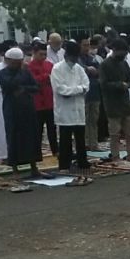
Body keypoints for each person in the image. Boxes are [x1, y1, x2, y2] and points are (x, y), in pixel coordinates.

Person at [0, 46, 52, 178]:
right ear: (8, 60)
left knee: (32, 137)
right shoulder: (2, 73)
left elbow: (35, 87)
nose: (16, 64)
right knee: (14, 137)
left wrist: (23, 88)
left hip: (28, 108)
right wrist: (20, 76)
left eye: (18, 62)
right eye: (14, 62)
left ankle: (34, 167)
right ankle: (15, 170)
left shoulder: (25, 72)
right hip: (12, 109)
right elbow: (9, 85)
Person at [51, 41, 91, 184]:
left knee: (80, 138)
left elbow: (87, 85)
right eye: (73, 56)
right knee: (65, 140)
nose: (75, 59)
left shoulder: (78, 68)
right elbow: (61, 90)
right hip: (65, 109)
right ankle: (64, 164)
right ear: (67, 55)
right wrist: (78, 89)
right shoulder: (57, 69)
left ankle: (82, 162)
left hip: (78, 108)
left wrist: (76, 89)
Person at [100, 39, 130, 161]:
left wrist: (127, 85)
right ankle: (115, 156)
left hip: (126, 102)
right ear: (114, 50)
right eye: (122, 53)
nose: (124, 55)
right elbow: (104, 84)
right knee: (115, 133)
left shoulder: (124, 63)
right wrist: (118, 85)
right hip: (112, 104)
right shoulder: (105, 64)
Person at [28, 42, 58, 159]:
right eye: (41, 54)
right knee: (37, 131)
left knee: (52, 129)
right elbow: (32, 81)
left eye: (45, 54)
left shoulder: (49, 65)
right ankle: (37, 154)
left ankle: (56, 150)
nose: (43, 57)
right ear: (34, 53)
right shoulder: (29, 66)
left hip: (50, 101)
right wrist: (45, 77)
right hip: (37, 103)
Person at [80, 40, 103, 151]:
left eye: (88, 45)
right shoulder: (77, 59)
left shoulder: (93, 58)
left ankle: (94, 143)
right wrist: (87, 69)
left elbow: (100, 71)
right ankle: (85, 143)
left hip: (94, 91)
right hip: (83, 93)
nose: (87, 47)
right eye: (84, 45)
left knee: (94, 119)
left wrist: (94, 71)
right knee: (84, 119)